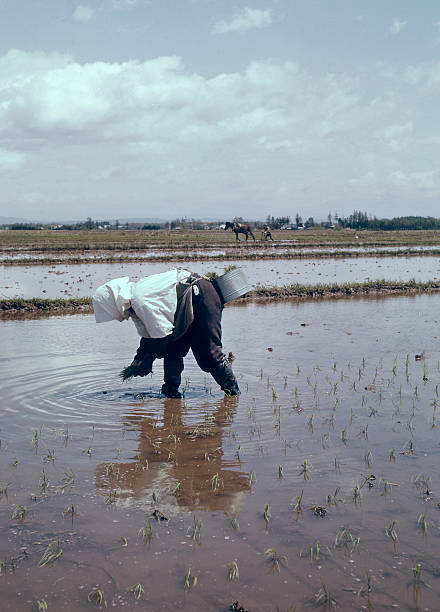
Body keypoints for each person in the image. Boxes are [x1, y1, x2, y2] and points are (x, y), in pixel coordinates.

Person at [131, 276, 240, 398]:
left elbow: (154, 331)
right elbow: (152, 331)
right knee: (173, 348)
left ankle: (233, 393)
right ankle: (170, 393)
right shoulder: (143, 299)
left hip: (202, 297)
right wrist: (141, 356)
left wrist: (145, 356)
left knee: (211, 354)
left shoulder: (142, 300)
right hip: (182, 304)